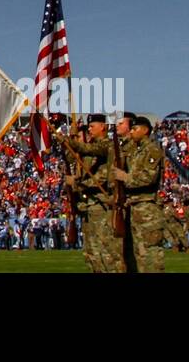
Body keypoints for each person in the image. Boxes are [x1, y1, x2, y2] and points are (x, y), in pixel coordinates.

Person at [55, 114, 122, 273]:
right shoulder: (91, 148)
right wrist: (68, 143)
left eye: (92, 126)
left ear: (103, 127)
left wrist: (71, 142)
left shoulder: (107, 145)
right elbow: (73, 158)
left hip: (101, 204)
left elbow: (88, 150)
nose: (90, 130)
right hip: (88, 205)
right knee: (91, 252)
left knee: (104, 251)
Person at [109, 116, 165, 273]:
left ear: (145, 130)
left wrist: (125, 177)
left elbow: (149, 177)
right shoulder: (135, 150)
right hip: (133, 208)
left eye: (135, 129)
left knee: (151, 257)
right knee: (137, 256)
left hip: (147, 208)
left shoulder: (152, 149)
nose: (132, 132)